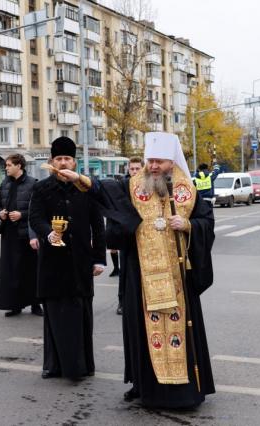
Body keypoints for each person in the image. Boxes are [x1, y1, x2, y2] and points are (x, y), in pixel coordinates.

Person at [59, 132, 216, 409]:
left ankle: (183, 392)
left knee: (179, 332)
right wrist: (80, 179)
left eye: (159, 161)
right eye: (150, 160)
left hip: (178, 279)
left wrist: (189, 225)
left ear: (171, 161)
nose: (153, 166)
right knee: (142, 332)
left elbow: (206, 221)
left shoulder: (187, 190)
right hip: (141, 275)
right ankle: (145, 388)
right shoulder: (134, 186)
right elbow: (103, 190)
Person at [28, 137, 106, 381]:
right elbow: (35, 218)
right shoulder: (41, 188)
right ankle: (53, 365)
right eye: (59, 159)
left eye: (67, 159)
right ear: (52, 161)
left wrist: (99, 259)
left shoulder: (86, 187)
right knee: (54, 315)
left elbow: (98, 226)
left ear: (74, 162)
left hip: (81, 262)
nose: (63, 163)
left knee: (81, 315)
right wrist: (47, 233)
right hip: (52, 262)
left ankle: (83, 366)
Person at [0, 154, 42, 318]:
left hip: (26, 234)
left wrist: (21, 214)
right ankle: (14, 305)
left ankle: (35, 305)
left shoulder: (33, 184)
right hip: (9, 233)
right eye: (5, 165)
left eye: (8, 165)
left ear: (19, 166)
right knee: (11, 270)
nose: (5, 168)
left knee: (30, 269)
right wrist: (1, 213)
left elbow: (38, 209)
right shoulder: (5, 183)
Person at [111, 156, 145, 315]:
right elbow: (115, 210)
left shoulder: (148, 185)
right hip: (127, 235)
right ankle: (122, 302)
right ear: (128, 170)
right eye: (132, 169)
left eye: (138, 168)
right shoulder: (122, 185)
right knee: (124, 271)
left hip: (144, 235)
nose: (135, 171)